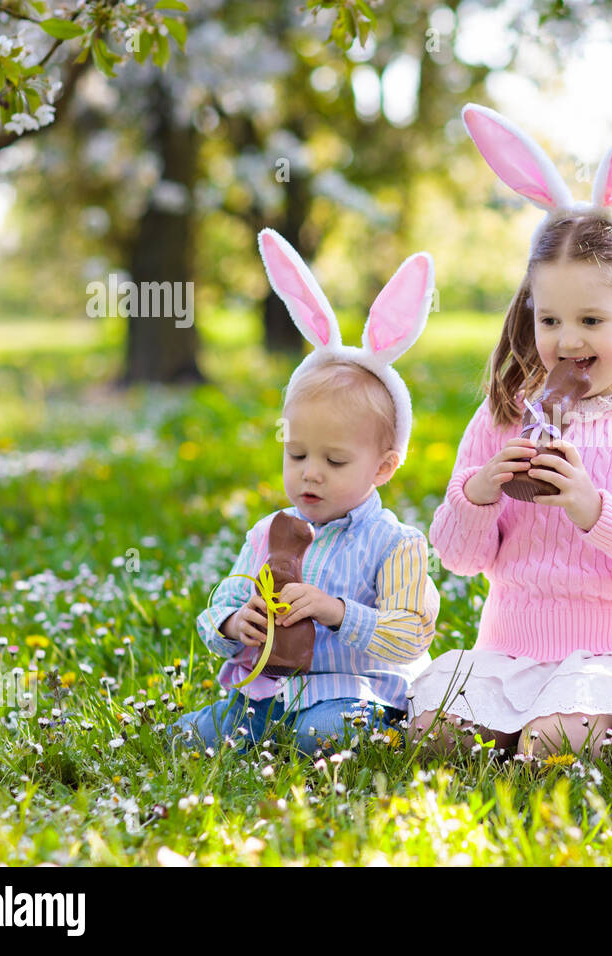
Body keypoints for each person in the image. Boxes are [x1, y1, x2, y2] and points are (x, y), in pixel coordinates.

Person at [408, 104, 612, 759]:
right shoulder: (503, 416)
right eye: (550, 321)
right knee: (434, 741)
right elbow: (460, 557)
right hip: (511, 647)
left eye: (591, 321)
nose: (567, 341)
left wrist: (591, 508)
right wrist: (479, 492)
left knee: (550, 749)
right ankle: (510, 722)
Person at [172, 230, 440, 756]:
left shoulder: (395, 544)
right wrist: (232, 620)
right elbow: (226, 593)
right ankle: (253, 726)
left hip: (355, 693)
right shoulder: (271, 530)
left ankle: (361, 732)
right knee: (189, 739)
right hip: (269, 691)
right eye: (297, 455)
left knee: (324, 735)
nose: (310, 474)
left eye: (335, 461)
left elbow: (411, 634)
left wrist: (338, 611)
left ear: (384, 467)